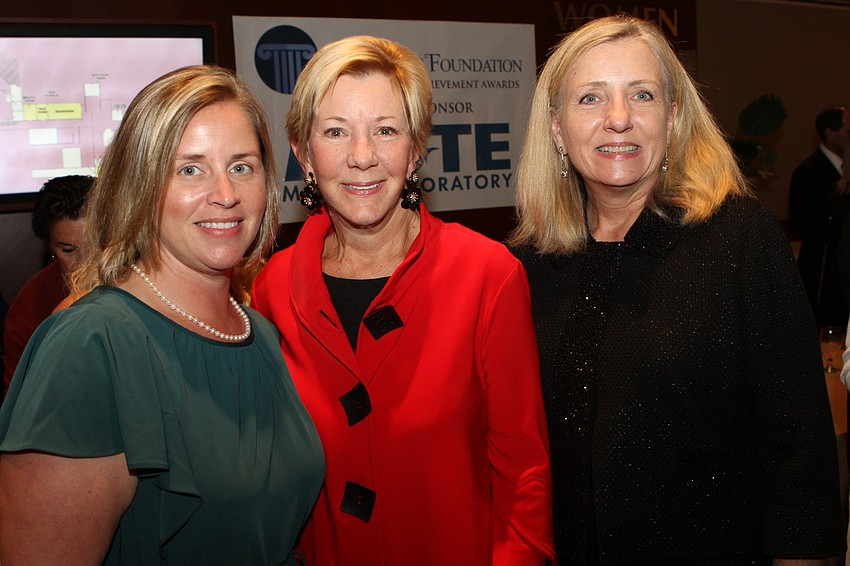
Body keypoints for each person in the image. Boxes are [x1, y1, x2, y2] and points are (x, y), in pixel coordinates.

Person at [509, 14, 845, 565]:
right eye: (591, 99)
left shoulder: (740, 240)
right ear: (554, 126)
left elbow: (799, 444)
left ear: (672, 116)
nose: (618, 119)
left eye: (641, 95)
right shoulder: (528, 264)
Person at [0, 65, 325, 564]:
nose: (225, 193)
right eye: (189, 169)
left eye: (242, 166)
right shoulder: (90, 346)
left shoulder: (256, 331)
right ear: (141, 187)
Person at [252, 35, 554, 565]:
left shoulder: (488, 276)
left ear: (416, 150)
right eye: (336, 132)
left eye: (386, 131)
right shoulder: (272, 286)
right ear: (303, 153)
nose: (362, 156)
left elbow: (523, 472)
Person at [2, 175, 93, 402]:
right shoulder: (31, 306)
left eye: (96, 244)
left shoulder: (151, 278)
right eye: (69, 250)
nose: (87, 262)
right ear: (50, 247)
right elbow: (20, 403)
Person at [789, 105, 850, 328]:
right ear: (830, 132)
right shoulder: (808, 171)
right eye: (848, 131)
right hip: (823, 271)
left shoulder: (846, 169)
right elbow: (798, 221)